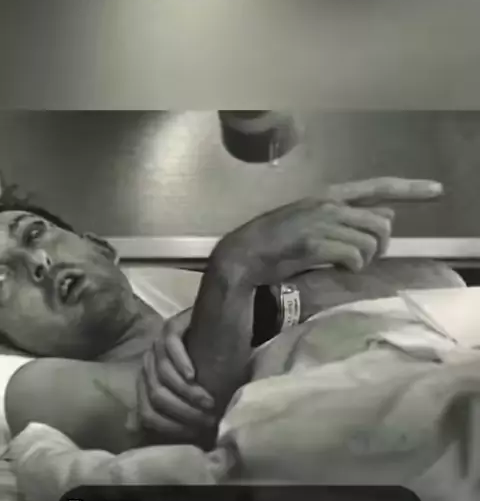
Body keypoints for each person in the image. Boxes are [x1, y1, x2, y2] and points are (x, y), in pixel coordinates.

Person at [0, 174, 462, 456]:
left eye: (33, 233)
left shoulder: (195, 298)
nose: (38, 262)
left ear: (101, 247)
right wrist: (235, 267)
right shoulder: (23, 386)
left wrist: (251, 306)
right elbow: (190, 430)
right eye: (1, 278)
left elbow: (439, 281)